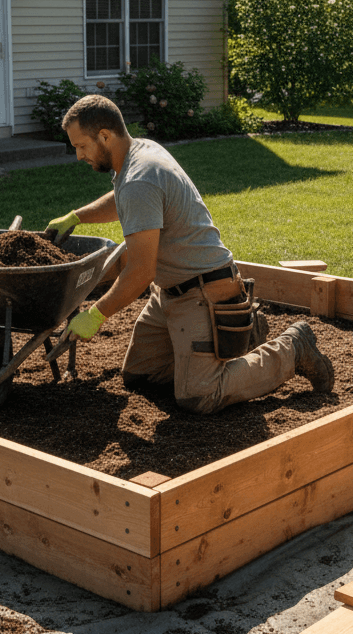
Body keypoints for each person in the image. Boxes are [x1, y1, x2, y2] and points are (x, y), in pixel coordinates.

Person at [46, 94, 334, 415]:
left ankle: (294, 348)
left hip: (203, 294)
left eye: (81, 146)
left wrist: (96, 314)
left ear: (104, 136)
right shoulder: (138, 154)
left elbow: (141, 272)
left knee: (198, 395)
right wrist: (76, 216)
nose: (78, 155)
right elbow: (125, 198)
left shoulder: (140, 178)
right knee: (140, 375)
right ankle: (242, 333)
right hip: (170, 294)